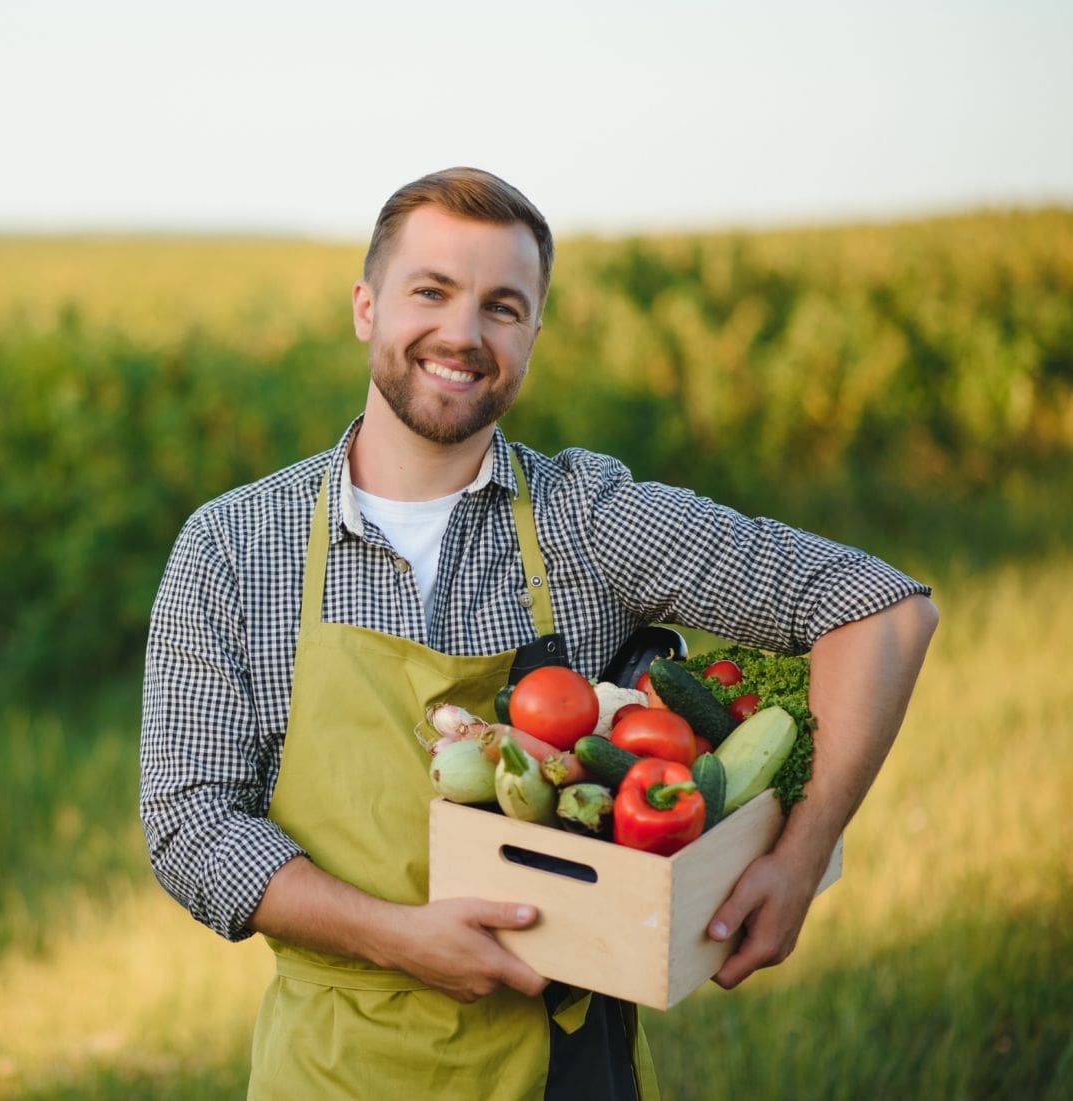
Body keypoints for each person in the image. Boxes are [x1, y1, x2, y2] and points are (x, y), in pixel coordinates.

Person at [138, 167, 938, 1099]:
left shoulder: (586, 520)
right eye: (430, 291)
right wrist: (399, 936)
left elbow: (883, 608)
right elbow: (190, 822)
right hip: (333, 1062)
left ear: (533, 336)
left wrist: (799, 861)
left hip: (569, 1063)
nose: (463, 334)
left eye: (503, 307)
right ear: (367, 306)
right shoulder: (236, 546)